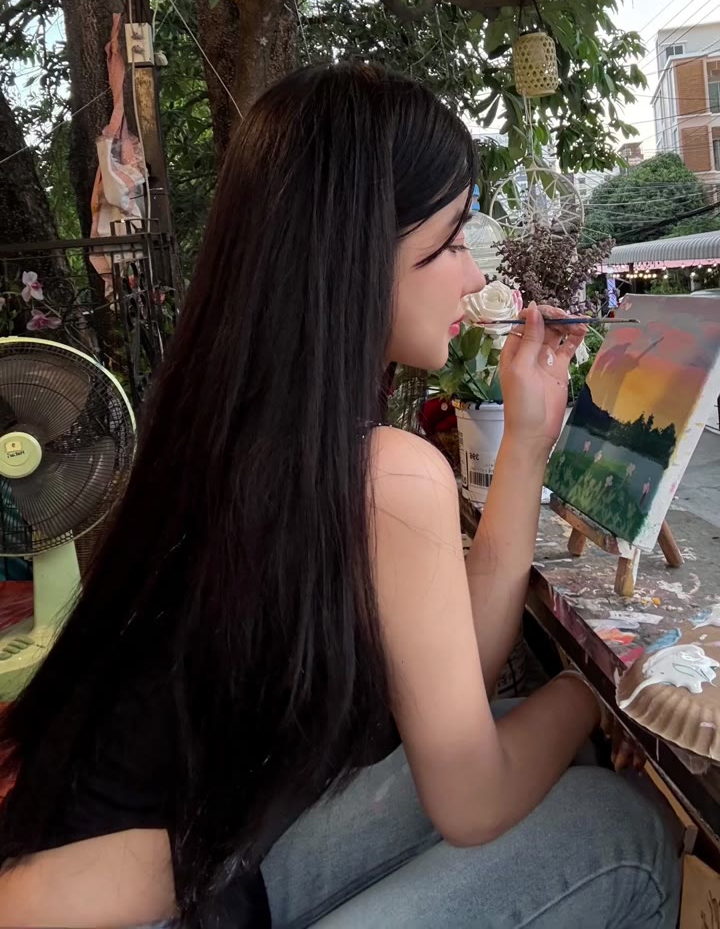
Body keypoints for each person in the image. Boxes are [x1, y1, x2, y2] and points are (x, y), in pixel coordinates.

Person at [0, 62, 680, 929]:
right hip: (167, 903)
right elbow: (472, 797)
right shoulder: (381, 474)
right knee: (626, 828)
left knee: (533, 733)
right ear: (358, 258)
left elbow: (455, 689)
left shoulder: (234, 435)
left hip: (198, 866)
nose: (472, 275)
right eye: (450, 242)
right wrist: (598, 694)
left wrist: (526, 441)